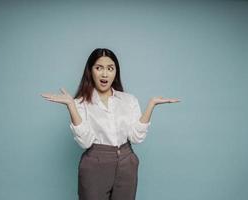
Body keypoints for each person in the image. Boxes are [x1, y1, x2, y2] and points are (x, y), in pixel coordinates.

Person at [41, 48, 180, 200]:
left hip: (127, 162)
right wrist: (71, 106)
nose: (105, 74)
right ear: (91, 71)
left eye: (110, 68)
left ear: (116, 72)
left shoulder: (129, 100)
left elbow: (136, 138)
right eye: (99, 68)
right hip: (95, 164)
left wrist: (151, 105)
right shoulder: (80, 103)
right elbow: (85, 142)